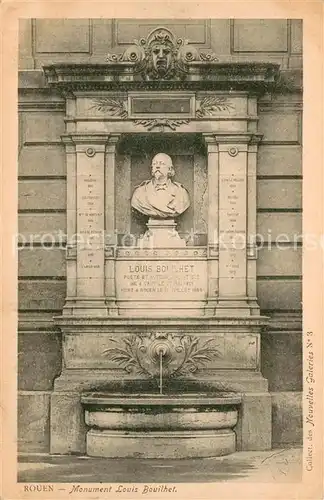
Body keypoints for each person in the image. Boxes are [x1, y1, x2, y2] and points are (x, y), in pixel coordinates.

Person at [131, 153, 190, 219]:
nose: (157, 166)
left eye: (162, 163)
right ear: (152, 169)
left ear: (170, 169)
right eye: (154, 164)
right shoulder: (139, 193)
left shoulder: (181, 193)